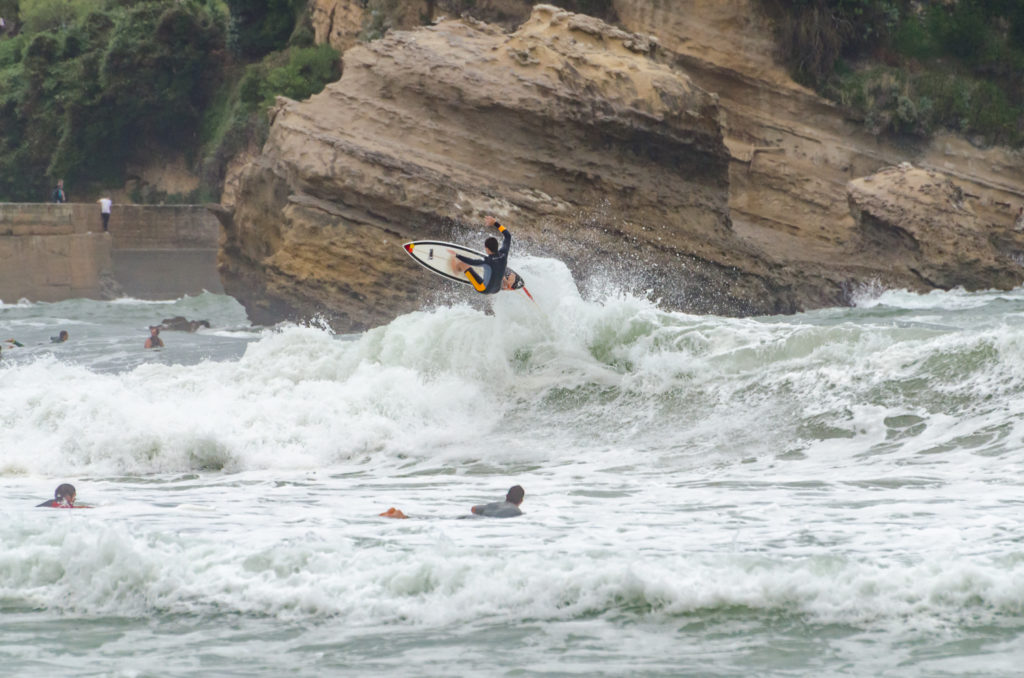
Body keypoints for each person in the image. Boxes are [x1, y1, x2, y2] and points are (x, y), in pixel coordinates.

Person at [450, 215, 514, 294]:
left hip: (483, 289)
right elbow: (508, 236)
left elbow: (471, 262)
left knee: (462, 264)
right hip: (497, 289)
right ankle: (505, 283)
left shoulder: (487, 261)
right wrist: (495, 223)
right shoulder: (504, 253)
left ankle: (455, 270)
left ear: (487, 249)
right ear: (497, 247)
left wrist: (456, 255)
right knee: (498, 268)